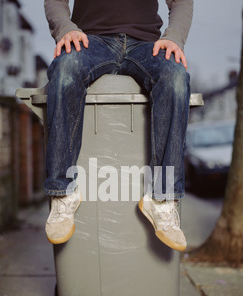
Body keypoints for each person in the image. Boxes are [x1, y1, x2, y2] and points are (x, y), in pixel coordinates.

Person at [44, 0, 193, 252]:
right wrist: (65, 29)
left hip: (147, 45)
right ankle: (62, 193)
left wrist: (174, 37)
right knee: (65, 67)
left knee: (176, 77)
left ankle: (163, 199)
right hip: (90, 42)